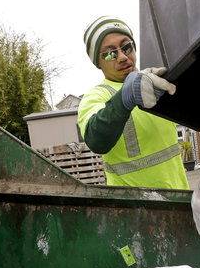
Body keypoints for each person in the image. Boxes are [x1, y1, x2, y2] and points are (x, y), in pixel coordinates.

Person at [79, 16, 189, 189]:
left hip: (180, 199)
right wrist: (123, 99)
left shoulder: (157, 82)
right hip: (135, 210)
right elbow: (96, 139)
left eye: (126, 47)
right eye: (110, 54)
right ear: (98, 63)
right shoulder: (96, 96)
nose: (122, 57)